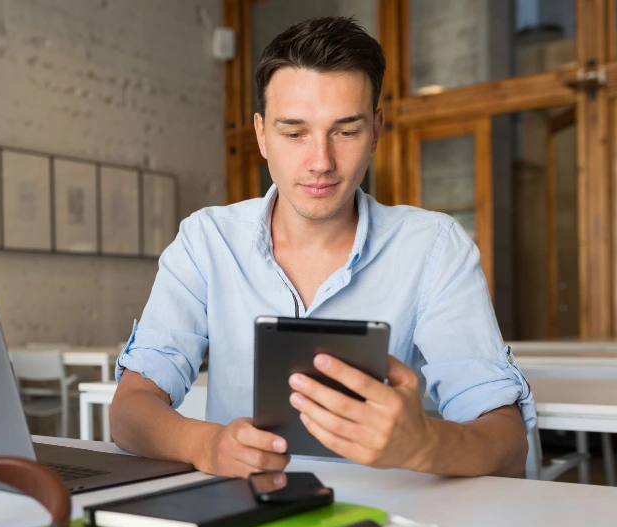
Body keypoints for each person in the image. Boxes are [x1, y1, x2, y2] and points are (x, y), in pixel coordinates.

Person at [110, 16, 535, 479]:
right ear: (261, 135)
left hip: (390, 523)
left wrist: (426, 445)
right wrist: (206, 444)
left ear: (375, 130)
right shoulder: (205, 240)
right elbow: (129, 411)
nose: (321, 162)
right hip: (240, 514)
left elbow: (508, 443)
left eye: (346, 132)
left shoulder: (433, 247)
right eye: (294, 133)